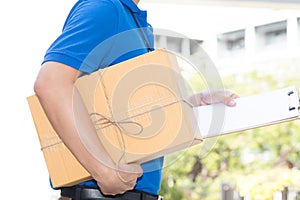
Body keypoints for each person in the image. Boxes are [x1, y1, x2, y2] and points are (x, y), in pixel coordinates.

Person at [34, 0, 238, 199]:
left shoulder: (130, 19)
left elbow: (127, 112)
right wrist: (104, 169)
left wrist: (192, 103)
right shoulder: (104, 8)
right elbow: (51, 83)